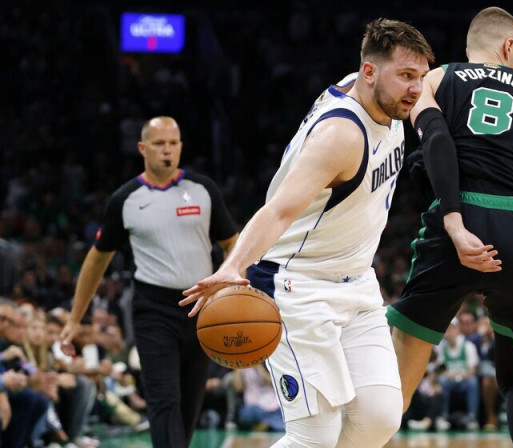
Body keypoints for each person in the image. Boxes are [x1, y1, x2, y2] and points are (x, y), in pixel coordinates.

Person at [180, 19, 433, 448]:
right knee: (315, 434)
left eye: (421, 77)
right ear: (369, 74)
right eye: (406, 76)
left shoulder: (380, 95)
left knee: (379, 417)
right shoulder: (340, 136)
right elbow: (277, 211)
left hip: (356, 283)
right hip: (298, 286)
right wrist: (233, 267)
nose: (416, 88)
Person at [386, 7, 513, 448]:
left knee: (398, 384)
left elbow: (434, 141)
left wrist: (455, 218)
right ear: (509, 46)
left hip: (461, 216)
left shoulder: (438, 78)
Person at [59, 116, 239, 448]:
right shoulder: (125, 200)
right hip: (153, 309)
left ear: (181, 146)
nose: (167, 150)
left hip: (201, 307)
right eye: (159, 143)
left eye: (173, 143)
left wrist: (227, 287)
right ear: (142, 148)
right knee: (164, 400)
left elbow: (234, 245)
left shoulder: (204, 191)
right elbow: (97, 259)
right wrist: (74, 318)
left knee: (188, 406)